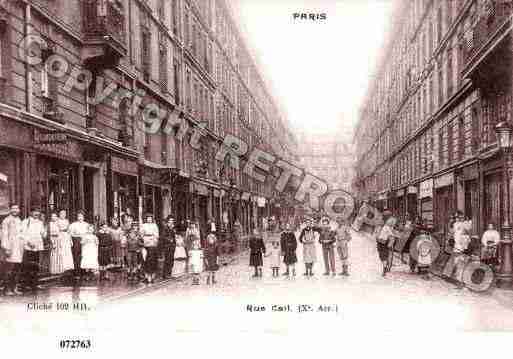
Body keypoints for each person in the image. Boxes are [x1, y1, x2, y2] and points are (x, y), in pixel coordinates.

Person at [21, 207, 46, 292]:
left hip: (37, 246)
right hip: (29, 246)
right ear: (31, 212)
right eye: (35, 212)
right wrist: (28, 242)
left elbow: (43, 234)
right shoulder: (25, 222)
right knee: (28, 266)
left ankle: (34, 284)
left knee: (35, 265)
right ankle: (26, 284)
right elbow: (22, 234)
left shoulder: (40, 222)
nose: (37, 213)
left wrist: (44, 226)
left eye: (38, 212)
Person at [1, 204, 24, 295]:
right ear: (10, 210)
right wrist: (6, 248)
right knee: (9, 269)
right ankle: (7, 289)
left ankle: (15, 288)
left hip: (19, 247)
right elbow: (4, 235)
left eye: (17, 208)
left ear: (19, 210)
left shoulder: (19, 220)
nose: (15, 210)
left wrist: (24, 243)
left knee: (17, 269)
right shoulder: (6, 221)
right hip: (10, 248)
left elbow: (22, 234)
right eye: (13, 208)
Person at [140, 213, 159, 284]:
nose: (149, 219)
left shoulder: (154, 225)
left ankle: (152, 276)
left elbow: (157, 234)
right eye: (148, 218)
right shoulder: (143, 225)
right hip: (146, 244)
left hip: (153, 244)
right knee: (146, 260)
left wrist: (154, 240)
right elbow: (141, 234)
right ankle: (147, 276)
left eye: (150, 218)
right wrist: (145, 239)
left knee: (153, 260)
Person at [68, 211, 89, 279]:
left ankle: (85, 273)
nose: (80, 218)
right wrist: (74, 238)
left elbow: (89, 232)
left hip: (85, 240)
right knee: (77, 256)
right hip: (76, 240)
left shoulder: (86, 224)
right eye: (79, 216)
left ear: (84, 217)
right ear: (77, 217)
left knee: (84, 256)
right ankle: (77, 273)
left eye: (81, 216)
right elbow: (70, 233)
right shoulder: (73, 224)